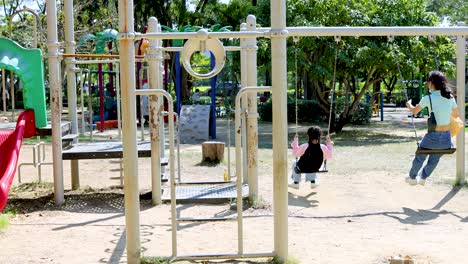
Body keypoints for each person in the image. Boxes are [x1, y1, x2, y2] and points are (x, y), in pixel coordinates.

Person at [405, 71, 459, 186]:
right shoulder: (450, 97)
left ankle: (412, 178)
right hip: (446, 139)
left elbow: (414, 111)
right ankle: (423, 177)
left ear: (431, 83)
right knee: (435, 157)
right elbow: (455, 114)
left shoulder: (428, 98)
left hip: (432, 136)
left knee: (420, 155)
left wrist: (409, 104)